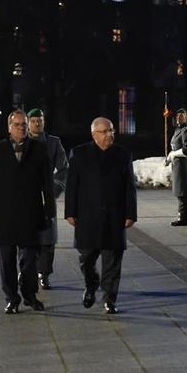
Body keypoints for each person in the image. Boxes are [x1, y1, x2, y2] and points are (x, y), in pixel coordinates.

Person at [0, 109, 55, 313]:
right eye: (17, 125)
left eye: (24, 124)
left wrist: (49, 211)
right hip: (4, 215)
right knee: (6, 261)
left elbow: (47, 185)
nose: (21, 128)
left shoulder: (40, 149)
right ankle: (11, 298)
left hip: (31, 214)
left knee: (29, 262)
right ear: (9, 128)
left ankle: (30, 295)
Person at [65, 117, 137, 314]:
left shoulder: (123, 155)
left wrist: (131, 213)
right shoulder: (79, 154)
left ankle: (109, 298)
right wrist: (70, 212)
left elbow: (129, 187)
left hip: (115, 216)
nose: (109, 135)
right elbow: (72, 186)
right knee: (86, 258)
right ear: (94, 135)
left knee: (113, 261)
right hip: (87, 217)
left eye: (111, 131)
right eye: (104, 132)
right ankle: (91, 284)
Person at [27, 108, 68, 290]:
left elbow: (64, 168)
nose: (37, 123)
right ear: (28, 122)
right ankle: (28, 272)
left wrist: (53, 191)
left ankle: (44, 274)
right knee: (27, 239)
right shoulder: (21, 142)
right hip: (26, 197)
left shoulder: (53, 143)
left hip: (46, 197)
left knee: (47, 240)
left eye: (40, 120)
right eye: (34, 120)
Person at [166, 108, 187, 226]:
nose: (179, 118)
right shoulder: (178, 130)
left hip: (182, 166)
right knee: (179, 191)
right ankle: (182, 215)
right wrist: (169, 158)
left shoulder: (186, 131)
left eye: (181, 116)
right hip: (176, 165)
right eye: (177, 116)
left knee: (182, 191)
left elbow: (186, 150)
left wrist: (173, 154)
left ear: (186, 118)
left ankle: (183, 217)